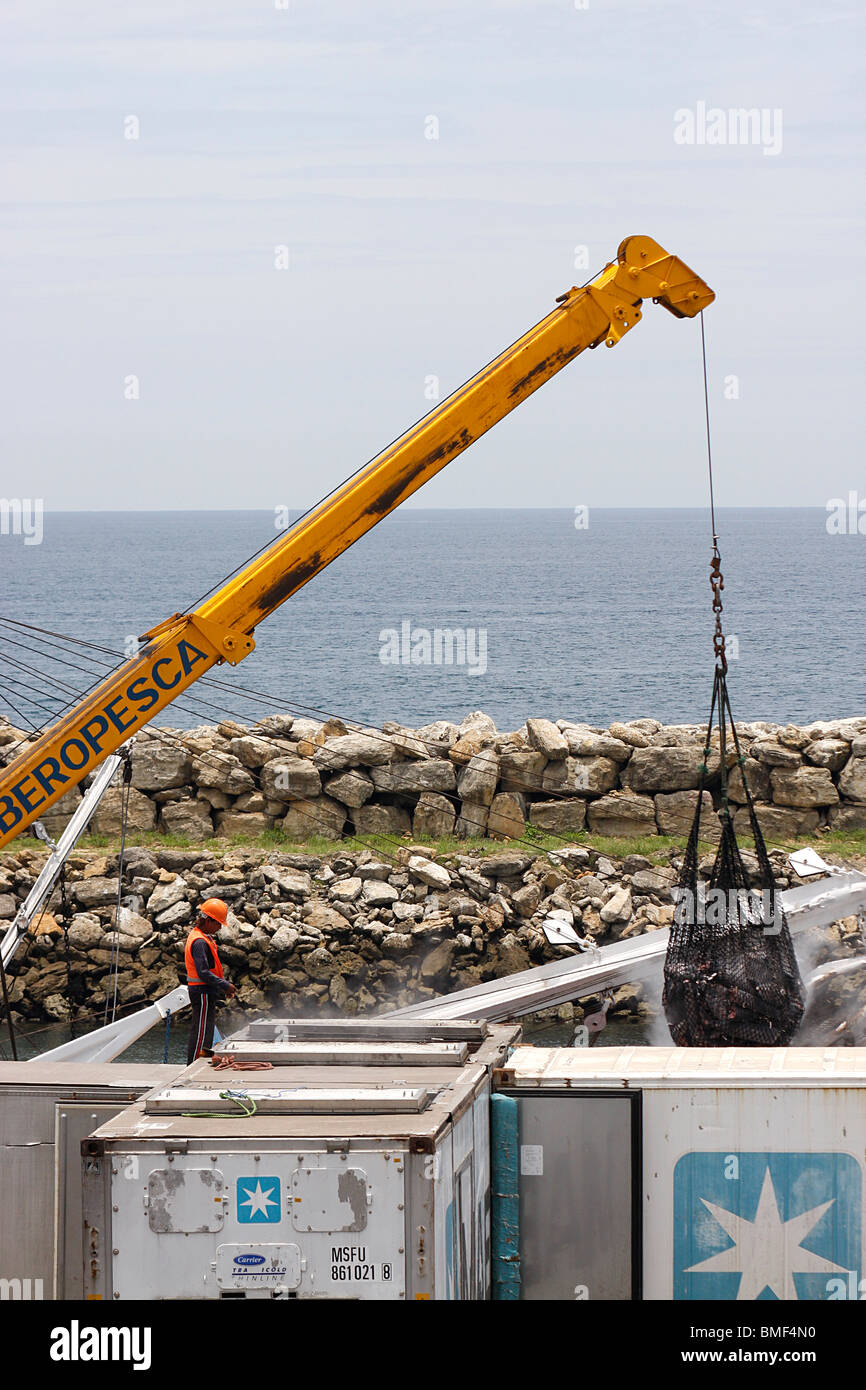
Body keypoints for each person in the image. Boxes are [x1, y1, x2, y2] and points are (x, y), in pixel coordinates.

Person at [184, 898, 236, 1064]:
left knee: (206, 1029)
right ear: (208, 921)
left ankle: (203, 1059)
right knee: (200, 1030)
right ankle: (192, 1064)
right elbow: (203, 972)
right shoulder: (199, 942)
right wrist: (225, 985)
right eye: (218, 923)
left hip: (205, 991)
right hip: (201, 991)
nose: (220, 927)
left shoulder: (203, 936)